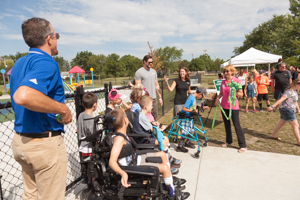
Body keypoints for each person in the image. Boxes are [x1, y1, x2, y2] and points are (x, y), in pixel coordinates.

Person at [10, 17, 72, 200]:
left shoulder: (19, 63)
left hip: (21, 142)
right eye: (56, 35)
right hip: (43, 144)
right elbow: (23, 96)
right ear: (48, 39)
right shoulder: (47, 63)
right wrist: (63, 110)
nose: (56, 39)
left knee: (30, 195)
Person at [108, 109, 180, 197]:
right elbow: (112, 162)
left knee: (163, 155)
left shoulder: (122, 135)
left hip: (135, 158)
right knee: (164, 167)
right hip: (132, 166)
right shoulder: (119, 139)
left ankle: (169, 180)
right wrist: (123, 173)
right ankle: (171, 194)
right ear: (125, 120)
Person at [132, 95, 181, 172]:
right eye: (151, 105)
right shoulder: (141, 117)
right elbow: (153, 131)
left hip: (146, 137)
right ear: (146, 107)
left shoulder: (142, 115)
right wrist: (161, 129)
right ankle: (168, 163)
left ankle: (169, 158)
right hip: (144, 139)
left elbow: (150, 125)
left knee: (166, 138)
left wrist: (154, 124)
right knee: (163, 141)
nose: (152, 107)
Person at [214, 65, 247, 153]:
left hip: (233, 106)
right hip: (224, 106)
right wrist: (217, 99)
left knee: (237, 125)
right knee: (226, 124)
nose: (226, 73)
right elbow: (221, 93)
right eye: (225, 71)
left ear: (232, 72)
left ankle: (243, 145)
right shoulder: (223, 82)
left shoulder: (236, 81)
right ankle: (228, 141)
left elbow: (241, 94)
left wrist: (234, 91)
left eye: (228, 71)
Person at [267, 78, 300, 146]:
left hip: (287, 110)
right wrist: (272, 107)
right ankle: (299, 141)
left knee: (281, 123)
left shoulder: (295, 91)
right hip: (287, 110)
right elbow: (281, 99)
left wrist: (298, 109)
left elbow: (295, 101)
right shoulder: (289, 91)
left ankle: (273, 135)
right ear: (296, 84)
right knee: (296, 125)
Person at [177, 87, 209, 152]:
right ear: (200, 94)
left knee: (192, 131)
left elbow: (193, 106)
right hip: (185, 117)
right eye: (202, 96)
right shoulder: (191, 98)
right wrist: (193, 111)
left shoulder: (194, 98)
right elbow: (184, 108)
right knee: (185, 133)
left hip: (189, 116)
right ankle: (179, 146)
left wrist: (202, 107)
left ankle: (187, 142)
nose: (201, 98)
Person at [135, 55, 163, 119]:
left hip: (153, 98)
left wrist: (160, 97)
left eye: (152, 62)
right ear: (144, 62)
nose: (151, 64)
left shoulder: (154, 72)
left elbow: (157, 85)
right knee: (146, 117)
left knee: (154, 116)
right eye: (149, 62)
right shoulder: (139, 72)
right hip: (145, 99)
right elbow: (138, 88)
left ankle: (154, 129)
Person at [77, 92, 98, 157]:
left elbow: (78, 130)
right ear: (94, 104)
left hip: (83, 146)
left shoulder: (81, 115)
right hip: (90, 147)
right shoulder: (91, 119)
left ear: (83, 104)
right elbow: (93, 134)